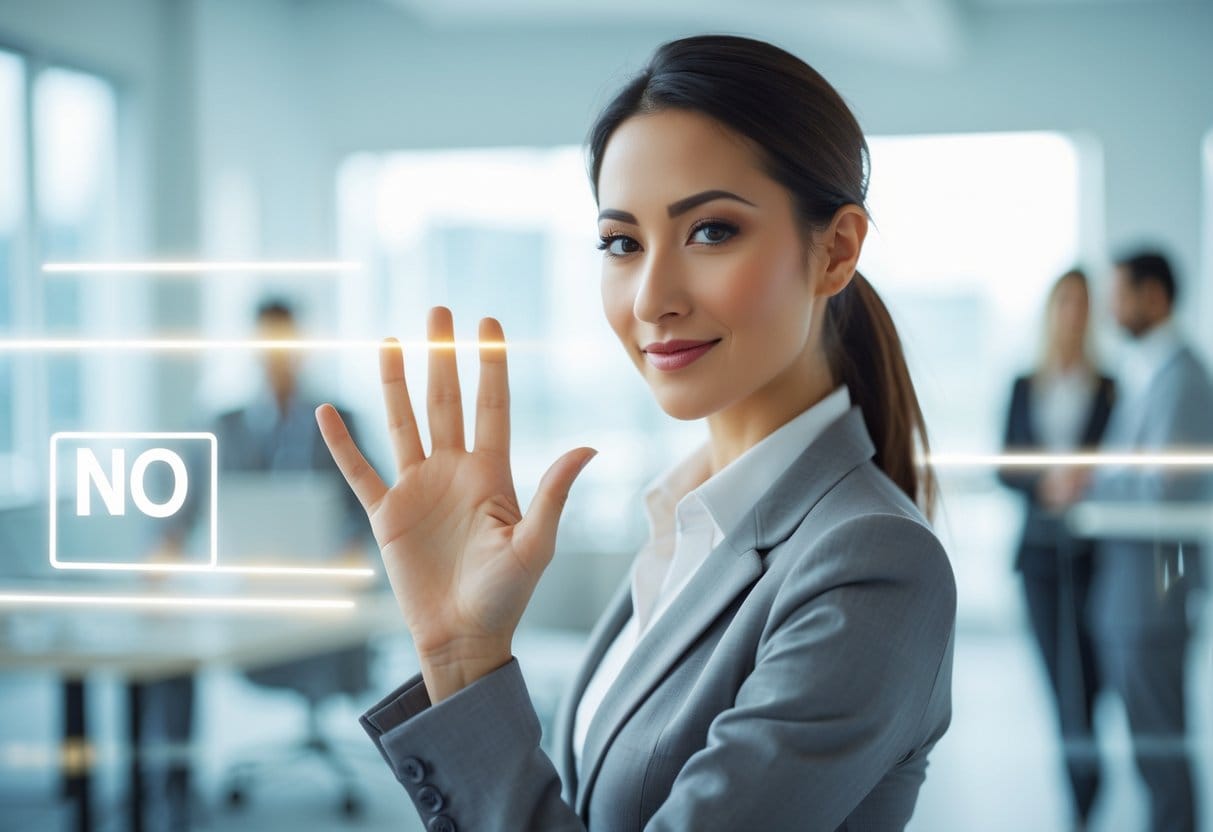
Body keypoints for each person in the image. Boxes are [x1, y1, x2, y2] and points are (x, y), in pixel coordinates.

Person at [317, 34, 957, 830]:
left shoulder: (870, 563)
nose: (652, 296)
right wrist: (457, 651)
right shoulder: (689, 524)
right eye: (621, 242)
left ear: (835, 251)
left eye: (711, 231)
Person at [133, 297, 370, 831]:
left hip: (322, 606)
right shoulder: (223, 425)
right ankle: (171, 785)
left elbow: (373, 512)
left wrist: (352, 551)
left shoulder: (340, 419)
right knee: (171, 650)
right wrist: (160, 555)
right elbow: (175, 511)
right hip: (243, 599)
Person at [1081, 250, 1213, 832]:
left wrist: (1088, 485)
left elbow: (1168, 490)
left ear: (1154, 296)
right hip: (1132, 595)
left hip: (1151, 597)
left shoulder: (1181, 377)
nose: (1112, 309)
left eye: (1121, 295)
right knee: (1150, 746)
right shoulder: (1152, 372)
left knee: (1160, 749)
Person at [997, 269, 1115, 828]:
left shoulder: (1109, 386)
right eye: (1066, 301)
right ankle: (1082, 801)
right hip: (1040, 558)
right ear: (1051, 310)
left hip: (1099, 557)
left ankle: (1089, 788)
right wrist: (1045, 482)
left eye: (1083, 303)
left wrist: (1089, 481)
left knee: (1089, 680)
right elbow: (1006, 467)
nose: (1074, 312)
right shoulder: (1025, 384)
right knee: (1060, 684)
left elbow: (1124, 465)